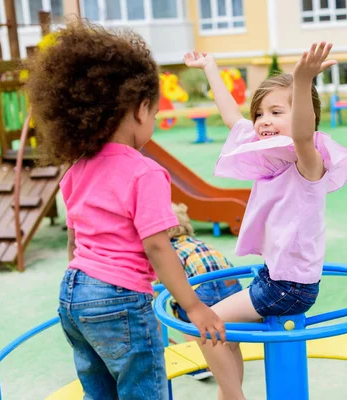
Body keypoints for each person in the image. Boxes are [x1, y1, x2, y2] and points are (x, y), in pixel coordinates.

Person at [24, 20, 225, 399]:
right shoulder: (144, 170)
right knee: (143, 391)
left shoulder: (77, 166)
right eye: (153, 115)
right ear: (141, 108)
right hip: (120, 299)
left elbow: (74, 240)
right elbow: (157, 246)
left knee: (99, 393)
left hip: (73, 294)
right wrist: (194, 307)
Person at [183, 42, 347, 399]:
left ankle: (232, 395)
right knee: (220, 330)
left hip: (289, 287)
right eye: (260, 113)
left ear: (299, 116)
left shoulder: (307, 166)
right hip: (274, 278)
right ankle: (230, 391)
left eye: (276, 112)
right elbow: (233, 118)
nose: (263, 120)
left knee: (204, 327)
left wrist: (304, 79)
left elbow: (303, 134)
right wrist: (211, 67)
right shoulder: (269, 159)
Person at [164, 203, 243, 380]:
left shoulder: (166, 250)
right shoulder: (199, 243)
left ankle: (201, 359)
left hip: (203, 290)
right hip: (231, 285)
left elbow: (157, 285)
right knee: (219, 318)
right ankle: (226, 349)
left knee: (182, 306)